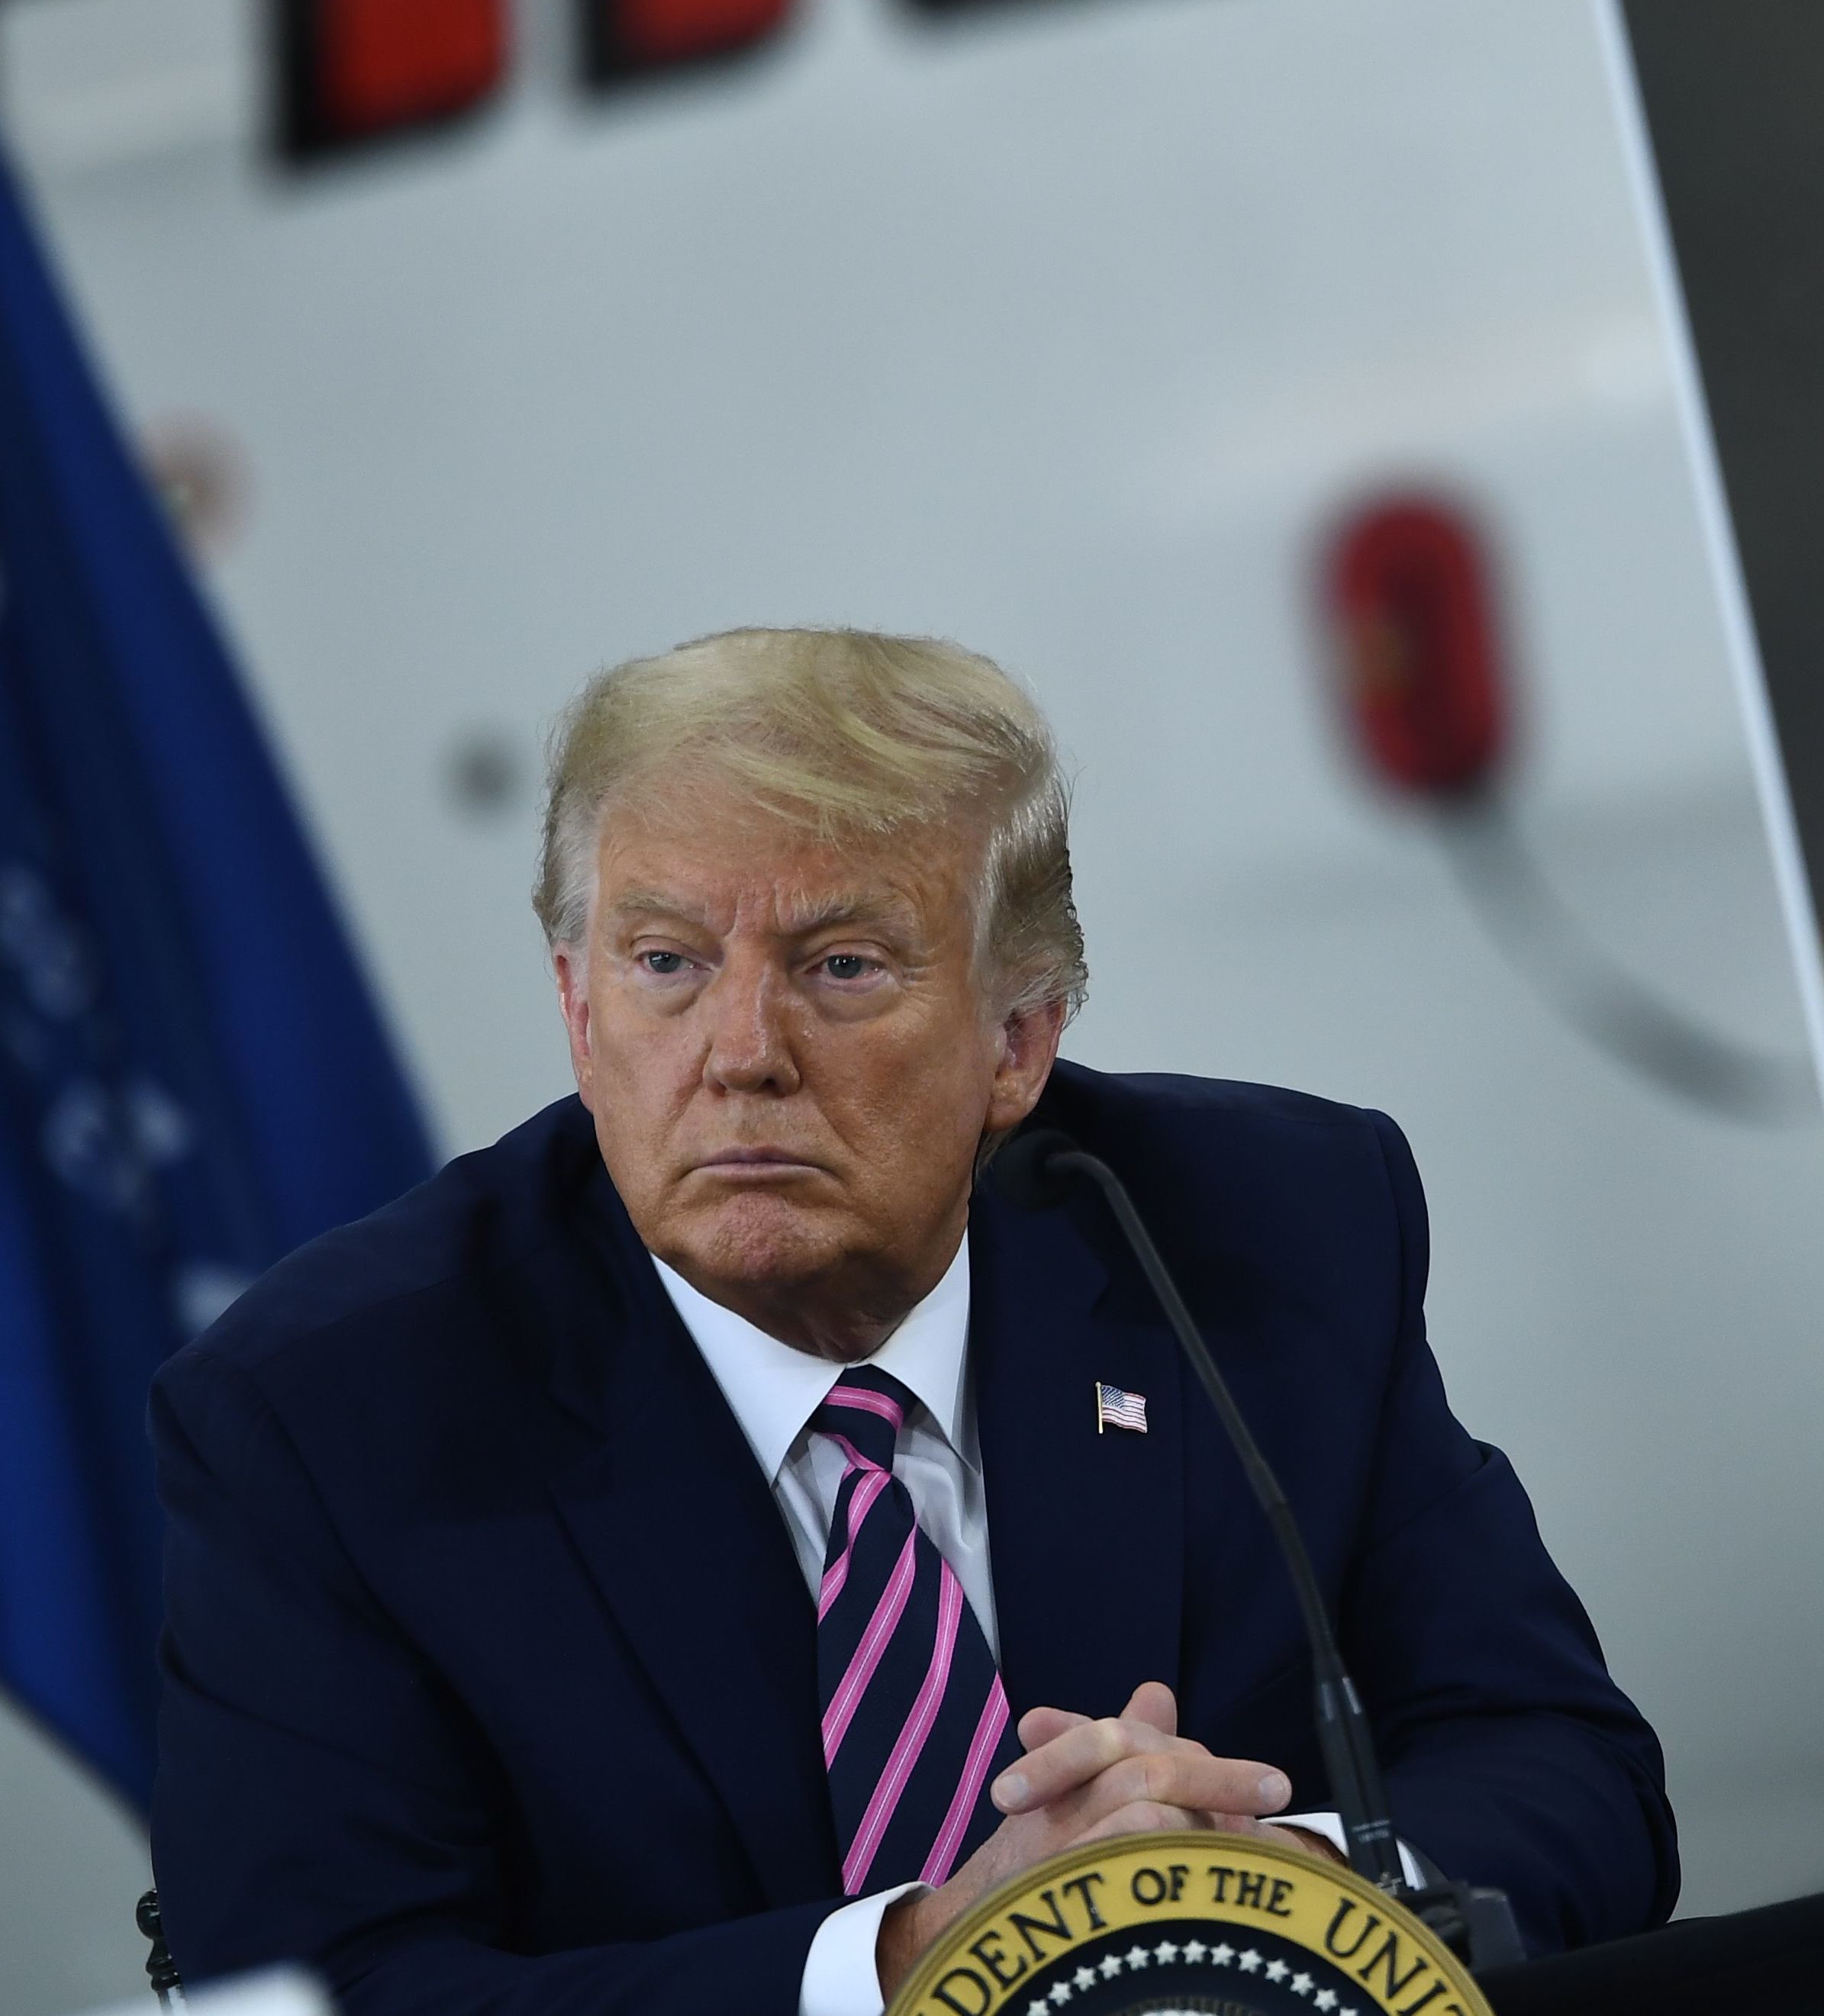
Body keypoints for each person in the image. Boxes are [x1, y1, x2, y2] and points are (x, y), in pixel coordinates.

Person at [151, 629, 1674, 2013]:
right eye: (667, 965)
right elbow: (310, 1990)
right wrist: (913, 1957)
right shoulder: (333, 1405)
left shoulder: (1264, 1230)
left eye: (841, 967)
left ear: (1019, 1041)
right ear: (576, 1008)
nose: (741, 1054)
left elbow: (1564, 1771)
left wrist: (1240, 1893)